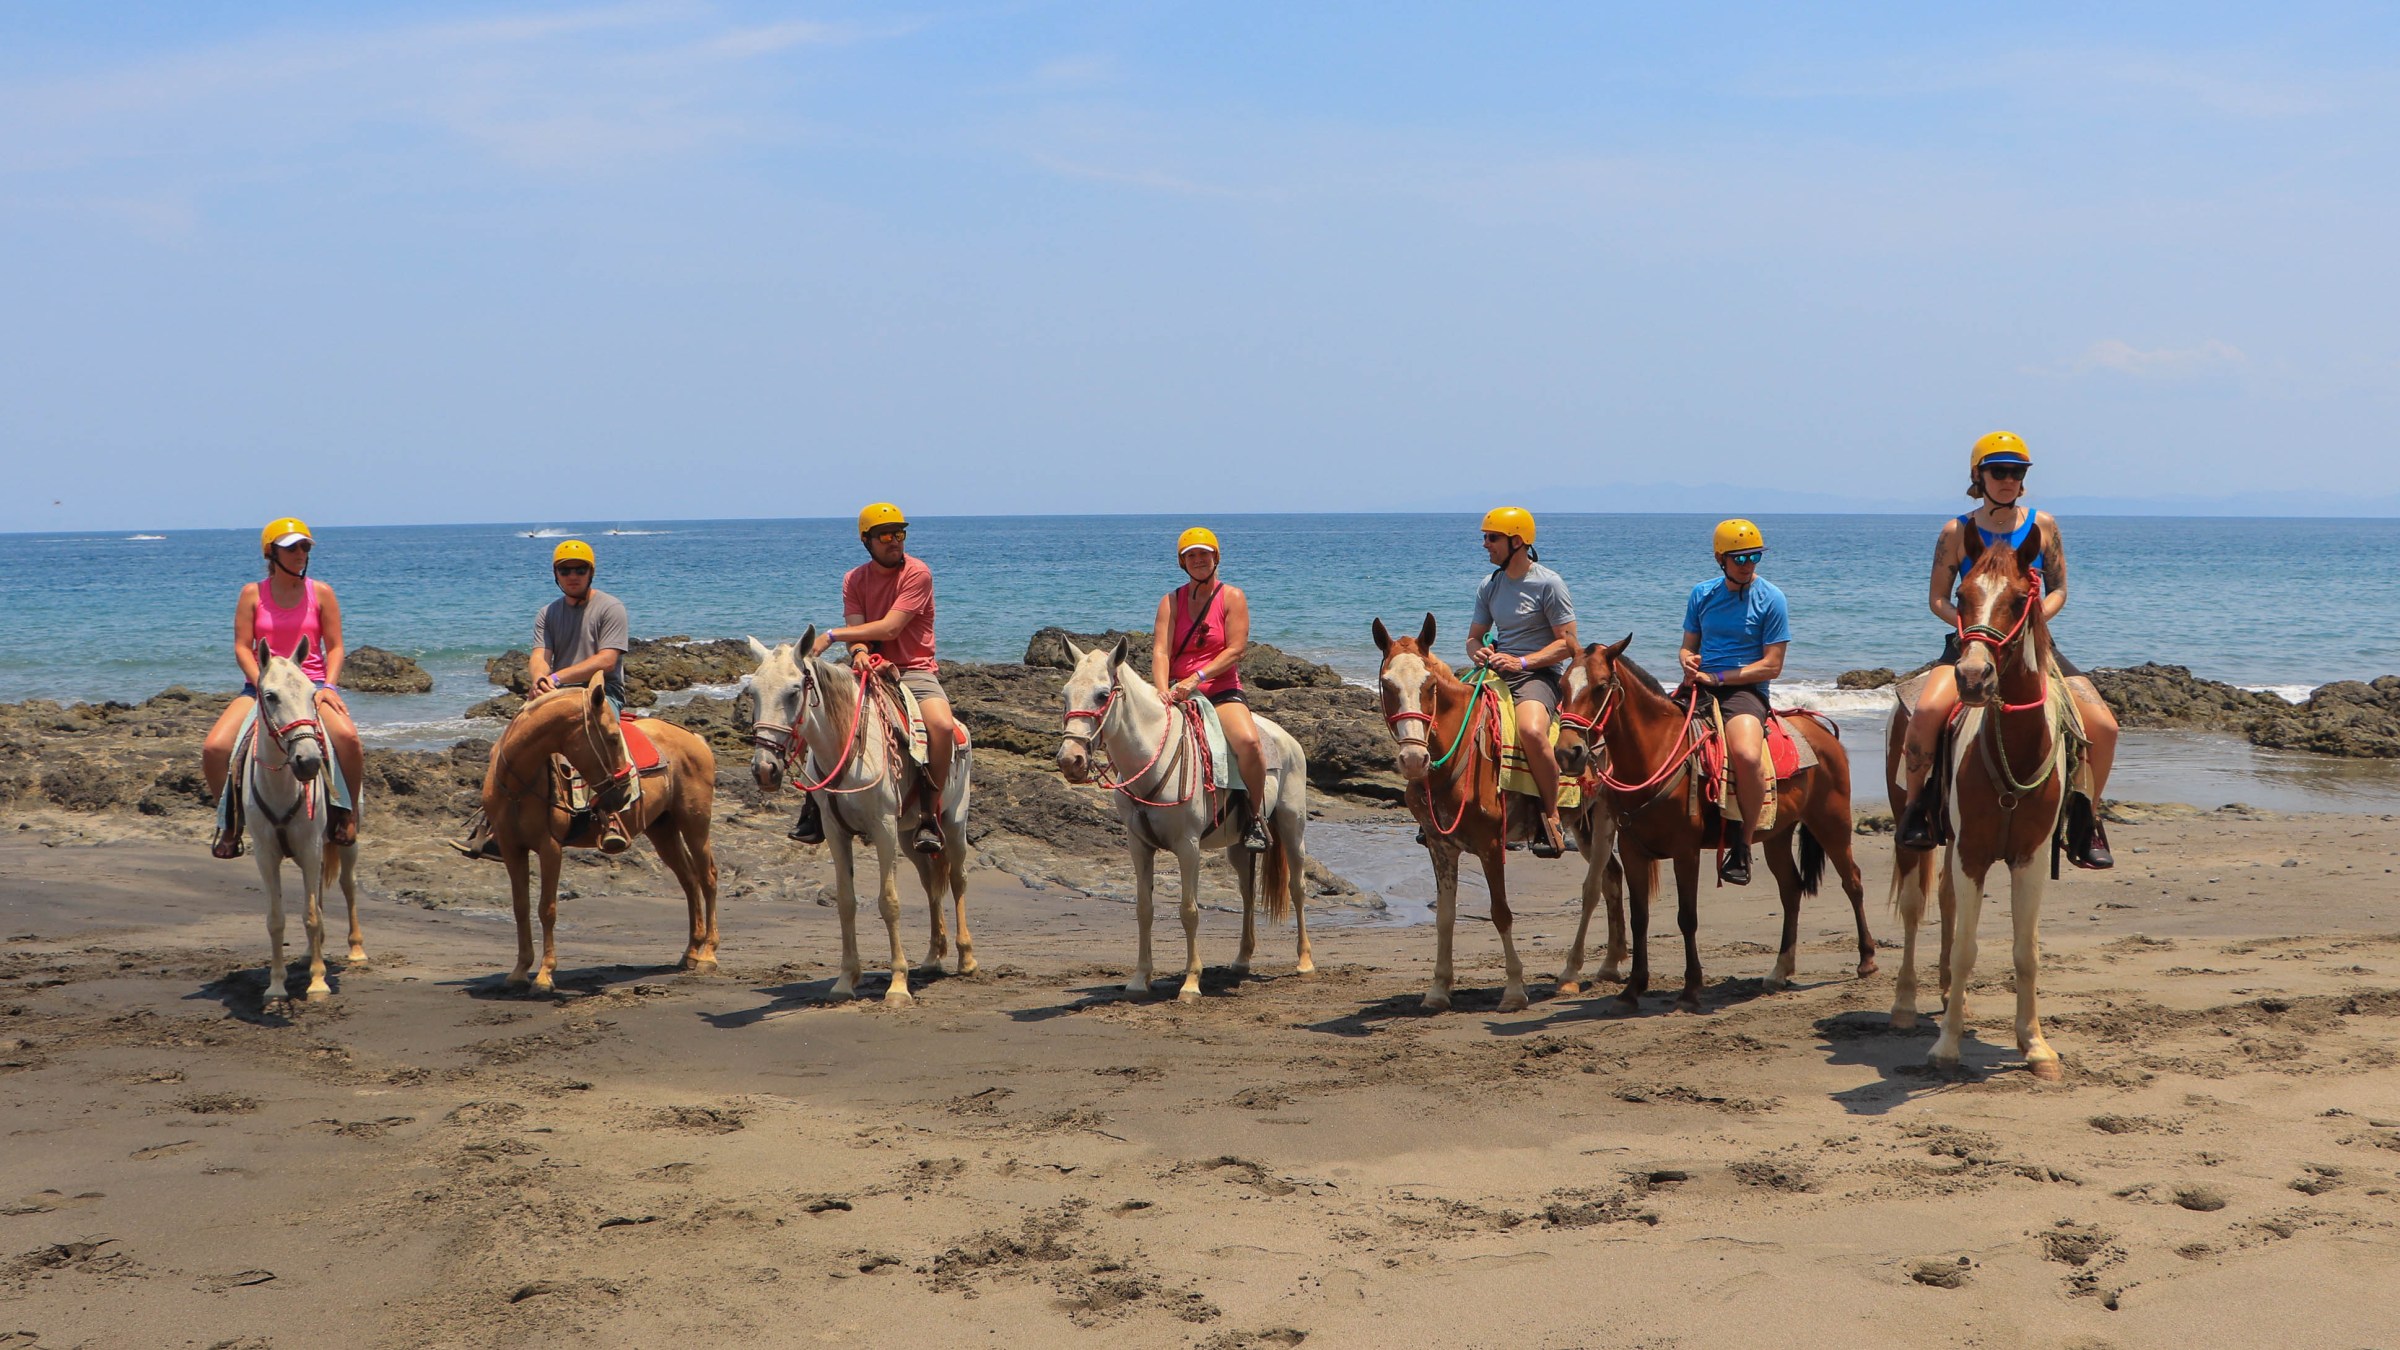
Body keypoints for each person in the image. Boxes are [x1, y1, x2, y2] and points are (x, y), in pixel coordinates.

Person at [1895, 431, 2119, 867]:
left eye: (2017, 472)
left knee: (2104, 726)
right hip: (1971, 646)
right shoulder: (1956, 531)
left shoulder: (2043, 526)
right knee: (1924, 715)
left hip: (2035, 648)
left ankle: (2086, 818)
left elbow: (2059, 591)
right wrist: (1975, 631)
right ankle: (1917, 810)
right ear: (1979, 475)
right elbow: (1938, 598)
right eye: (1999, 471)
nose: (2008, 480)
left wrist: (2030, 621)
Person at [794, 502, 957, 855]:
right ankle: (813, 803)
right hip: (868, 668)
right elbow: (859, 630)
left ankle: (929, 812)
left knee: (942, 727)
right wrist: (859, 652)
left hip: (914, 671)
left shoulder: (918, 573)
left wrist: (833, 637)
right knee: (816, 713)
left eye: (899, 533)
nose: (894, 540)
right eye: (885, 535)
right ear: (866, 540)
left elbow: (891, 626)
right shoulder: (854, 579)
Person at [201, 517, 365, 856]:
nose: (301, 553)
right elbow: (242, 647)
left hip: (312, 687)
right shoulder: (252, 594)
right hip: (261, 689)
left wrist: (329, 687)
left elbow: (334, 647)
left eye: (305, 546)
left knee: (348, 739)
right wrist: (261, 684)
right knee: (214, 749)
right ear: (271, 553)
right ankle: (231, 822)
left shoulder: (321, 593)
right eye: (292, 547)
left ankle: (346, 815)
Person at [1678, 519, 1789, 886]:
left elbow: (1772, 666)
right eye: (1740, 557)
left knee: (1745, 754)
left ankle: (1742, 845)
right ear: (1720, 559)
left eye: (1755, 556)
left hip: (1744, 690)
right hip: (1702, 684)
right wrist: (1687, 661)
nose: (1748, 564)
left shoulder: (1772, 597)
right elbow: (1688, 645)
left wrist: (1720, 678)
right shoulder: (1701, 594)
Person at [1465, 506, 1579, 858]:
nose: (1486, 544)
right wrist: (1478, 654)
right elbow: (1474, 638)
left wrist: (1522, 661)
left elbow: (1568, 644)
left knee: (1530, 730)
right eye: (1485, 537)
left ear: (1517, 541)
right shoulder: (1490, 585)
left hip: (1536, 675)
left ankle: (1552, 815)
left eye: (1492, 537)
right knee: (1447, 717)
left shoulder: (1549, 583)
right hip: (1496, 671)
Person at [1152, 527, 1273, 852]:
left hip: (1220, 690)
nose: (1198, 560)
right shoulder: (1170, 601)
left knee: (1249, 743)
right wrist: (1163, 689)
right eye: (1191, 555)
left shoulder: (1232, 597)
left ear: (1215, 557)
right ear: (1183, 562)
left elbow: (1235, 650)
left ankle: (1253, 818)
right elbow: (1161, 651)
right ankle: (1137, 809)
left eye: (1203, 554)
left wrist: (1197, 677)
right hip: (1178, 692)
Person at [529, 538, 633, 853]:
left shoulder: (610, 608)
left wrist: (557, 676)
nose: (572, 575)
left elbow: (607, 660)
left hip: (601, 691)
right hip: (559, 693)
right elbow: (539, 655)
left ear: (591, 573)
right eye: (565, 570)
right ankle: (496, 820)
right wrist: (539, 680)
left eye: (579, 569)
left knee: (598, 738)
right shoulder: (547, 613)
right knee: (516, 739)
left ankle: (611, 815)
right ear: (555, 574)